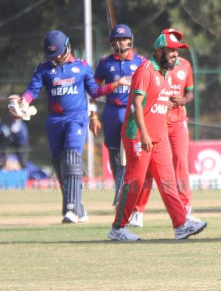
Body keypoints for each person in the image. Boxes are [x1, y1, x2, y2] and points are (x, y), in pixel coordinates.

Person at [108, 32, 207, 242]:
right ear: (160, 50)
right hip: (138, 135)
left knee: (168, 181)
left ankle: (181, 225)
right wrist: (144, 134)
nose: (175, 55)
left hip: (158, 137)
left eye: (177, 51)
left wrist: (160, 133)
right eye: (171, 50)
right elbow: (136, 105)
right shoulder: (145, 70)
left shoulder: (165, 73)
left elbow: (158, 106)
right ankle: (118, 228)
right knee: (134, 182)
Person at [11, 29, 102, 224]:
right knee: (60, 164)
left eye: (58, 54)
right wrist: (23, 102)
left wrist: (114, 87)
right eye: (52, 55)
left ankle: (71, 209)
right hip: (54, 120)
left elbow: (95, 91)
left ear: (67, 48)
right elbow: (32, 89)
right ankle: (78, 207)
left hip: (76, 118)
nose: (56, 58)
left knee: (71, 158)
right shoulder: (44, 68)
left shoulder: (82, 66)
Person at [93, 24, 146, 206]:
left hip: (132, 111)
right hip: (112, 111)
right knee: (115, 152)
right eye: (116, 40)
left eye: (123, 39)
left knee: (131, 152)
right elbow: (94, 91)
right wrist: (93, 115)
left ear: (130, 41)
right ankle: (120, 189)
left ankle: (128, 194)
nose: (120, 43)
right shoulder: (105, 63)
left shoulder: (141, 62)